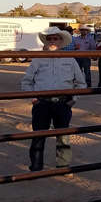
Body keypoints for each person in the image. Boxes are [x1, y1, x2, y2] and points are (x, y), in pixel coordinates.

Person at [21, 27, 87, 171]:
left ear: (61, 41)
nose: (52, 41)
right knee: (38, 136)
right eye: (49, 39)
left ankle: (63, 166)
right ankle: (36, 167)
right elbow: (26, 82)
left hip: (63, 103)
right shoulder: (38, 60)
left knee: (63, 136)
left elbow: (81, 83)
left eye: (55, 38)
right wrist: (34, 100)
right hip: (42, 103)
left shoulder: (70, 61)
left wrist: (73, 100)